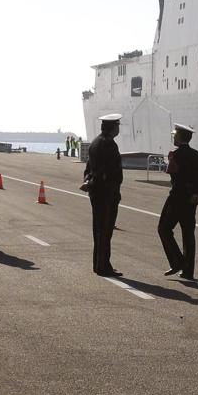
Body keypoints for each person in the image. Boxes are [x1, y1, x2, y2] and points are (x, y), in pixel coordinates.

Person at [159, 124, 198, 280]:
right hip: (191, 201)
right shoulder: (196, 155)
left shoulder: (175, 155)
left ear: (179, 137)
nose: (173, 137)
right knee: (188, 234)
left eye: (175, 135)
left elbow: (172, 174)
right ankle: (188, 271)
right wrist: (197, 193)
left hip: (176, 198)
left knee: (163, 229)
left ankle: (177, 261)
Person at [83, 114, 123, 276]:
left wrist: (88, 182)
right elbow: (105, 170)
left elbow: (89, 168)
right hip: (106, 193)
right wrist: (100, 184)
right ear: (113, 128)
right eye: (117, 125)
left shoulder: (95, 143)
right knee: (105, 231)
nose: (118, 128)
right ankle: (103, 266)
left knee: (99, 229)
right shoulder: (108, 145)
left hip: (98, 192)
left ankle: (99, 263)